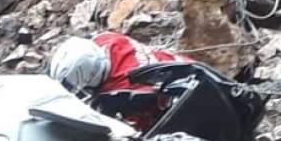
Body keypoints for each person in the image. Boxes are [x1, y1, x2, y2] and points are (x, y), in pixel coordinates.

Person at [46, 32, 190, 130]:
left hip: (186, 104)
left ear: (91, 75)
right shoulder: (106, 39)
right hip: (188, 68)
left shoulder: (123, 92)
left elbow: (130, 131)